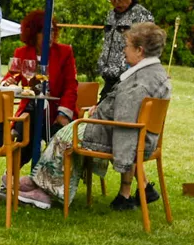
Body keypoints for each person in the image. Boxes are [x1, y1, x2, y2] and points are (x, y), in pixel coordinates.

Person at [21, 23, 170, 210]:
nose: (123, 51)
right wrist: (100, 109)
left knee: (64, 136)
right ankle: (38, 181)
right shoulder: (156, 74)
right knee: (69, 131)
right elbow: (125, 111)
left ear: (139, 50)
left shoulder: (139, 83)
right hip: (142, 138)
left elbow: (125, 123)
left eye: (127, 46)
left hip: (119, 138)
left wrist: (123, 160)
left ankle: (46, 190)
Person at [0, 9, 79, 167]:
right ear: (33, 33)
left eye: (51, 31)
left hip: (56, 112)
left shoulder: (64, 52)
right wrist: (9, 82)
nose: (49, 36)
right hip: (30, 110)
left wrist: (64, 113)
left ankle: (45, 181)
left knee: (58, 139)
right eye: (43, 32)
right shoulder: (21, 53)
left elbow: (71, 85)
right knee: (26, 135)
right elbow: (11, 77)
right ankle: (10, 177)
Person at [99, 0, 153, 94]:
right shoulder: (110, 15)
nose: (117, 1)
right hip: (109, 82)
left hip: (130, 84)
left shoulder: (142, 16)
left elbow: (148, 53)